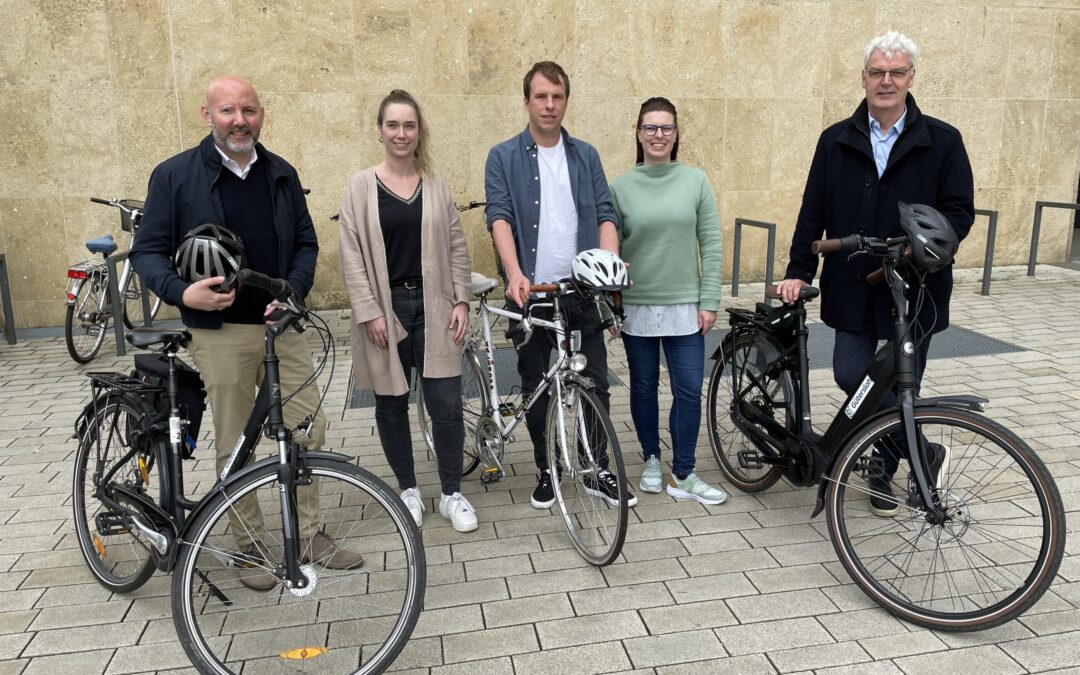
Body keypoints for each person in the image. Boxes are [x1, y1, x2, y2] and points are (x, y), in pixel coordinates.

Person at [131, 75, 364, 590]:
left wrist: (295, 291)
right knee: (236, 442)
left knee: (308, 428)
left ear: (262, 114)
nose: (240, 121)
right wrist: (179, 292)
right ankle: (250, 548)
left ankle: (306, 535)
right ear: (207, 114)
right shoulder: (174, 177)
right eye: (228, 111)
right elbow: (146, 251)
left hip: (280, 327)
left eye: (249, 111)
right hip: (219, 332)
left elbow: (306, 243)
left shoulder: (280, 172)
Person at [776, 31, 975, 516]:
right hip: (851, 286)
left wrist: (919, 246)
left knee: (901, 382)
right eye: (877, 72)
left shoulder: (944, 141)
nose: (886, 80)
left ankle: (883, 471)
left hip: (917, 291)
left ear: (911, 77)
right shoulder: (835, 140)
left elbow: (959, 213)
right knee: (851, 373)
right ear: (863, 78)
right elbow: (812, 212)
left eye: (897, 71)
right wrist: (798, 271)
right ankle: (926, 455)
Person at [485, 61, 637, 510]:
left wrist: (607, 264)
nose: (550, 105)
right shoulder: (503, 156)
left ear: (566, 100)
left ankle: (595, 469)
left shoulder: (585, 155)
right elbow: (500, 217)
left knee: (594, 382)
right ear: (527, 101)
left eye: (557, 96)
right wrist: (514, 273)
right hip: (531, 293)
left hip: (579, 291)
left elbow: (606, 213)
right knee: (536, 384)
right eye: (541, 96)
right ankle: (546, 467)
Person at [338, 90, 477, 533]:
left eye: (409, 125)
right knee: (391, 402)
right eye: (393, 125)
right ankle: (409, 490)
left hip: (435, 305)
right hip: (386, 308)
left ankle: (452, 494)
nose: (401, 133)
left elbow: (456, 247)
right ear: (380, 130)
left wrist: (460, 299)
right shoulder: (360, 187)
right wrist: (368, 311)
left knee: (447, 404)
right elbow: (351, 254)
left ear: (420, 132)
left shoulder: (436, 187)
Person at [609, 97, 727, 505]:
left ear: (676, 134)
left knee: (689, 389)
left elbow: (711, 243)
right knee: (643, 387)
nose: (658, 135)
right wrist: (611, 304)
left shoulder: (695, 181)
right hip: (636, 304)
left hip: (685, 305)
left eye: (666, 128)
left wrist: (709, 299)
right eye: (650, 127)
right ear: (638, 132)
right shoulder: (620, 186)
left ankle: (684, 473)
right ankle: (652, 459)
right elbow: (611, 248)